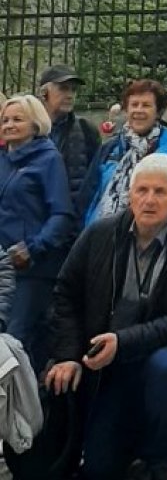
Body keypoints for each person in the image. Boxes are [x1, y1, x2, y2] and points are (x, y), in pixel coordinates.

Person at [47, 153, 167, 480]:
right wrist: (67, 355)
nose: (149, 200)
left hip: (164, 348)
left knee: (164, 367)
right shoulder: (100, 233)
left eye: (160, 192)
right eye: (142, 190)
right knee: (99, 469)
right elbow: (65, 292)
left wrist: (123, 342)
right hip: (107, 360)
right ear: (129, 194)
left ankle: (163, 456)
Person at [0, 93, 74, 373]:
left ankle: (21, 411)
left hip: (31, 269)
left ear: (36, 123)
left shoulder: (48, 159)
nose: (9, 124)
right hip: (1, 266)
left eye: (17, 119)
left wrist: (33, 247)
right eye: (5, 119)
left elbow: (62, 215)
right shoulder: (2, 159)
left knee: (11, 342)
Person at [81, 79, 167, 224]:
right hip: (100, 236)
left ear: (158, 112)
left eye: (146, 105)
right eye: (134, 105)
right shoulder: (110, 148)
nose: (139, 110)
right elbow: (88, 195)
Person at [38, 64, 100, 209]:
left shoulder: (86, 129)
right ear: (44, 92)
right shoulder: (29, 128)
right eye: (63, 88)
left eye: (73, 90)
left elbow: (94, 179)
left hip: (73, 217)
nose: (70, 95)